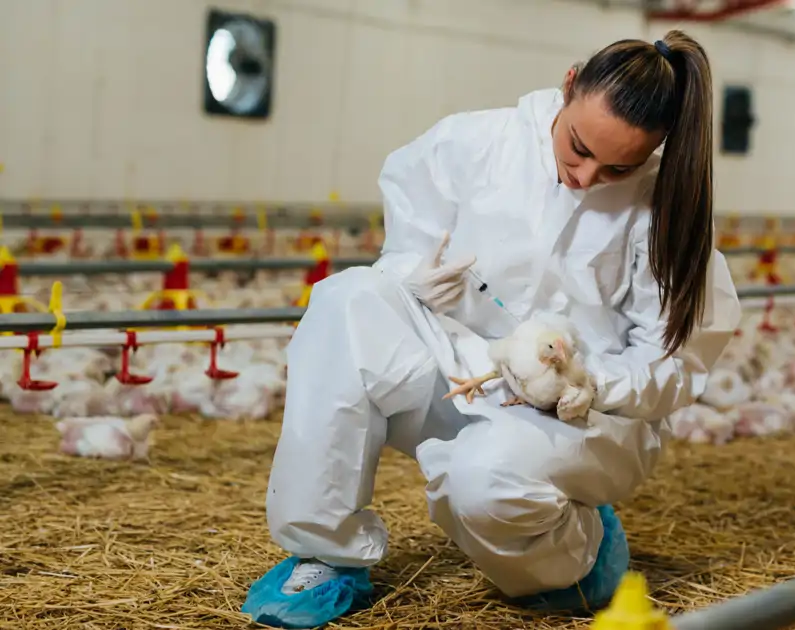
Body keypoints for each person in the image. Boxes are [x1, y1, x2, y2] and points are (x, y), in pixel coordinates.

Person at [241, 29, 741, 629]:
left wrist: (587, 382)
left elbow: (673, 360)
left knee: (483, 484)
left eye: (617, 167)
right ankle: (325, 551)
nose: (584, 176)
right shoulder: (471, 144)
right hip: (461, 371)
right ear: (568, 84)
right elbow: (407, 250)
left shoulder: (665, 211)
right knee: (345, 300)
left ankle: (575, 555)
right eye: (578, 146)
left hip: (578, 417)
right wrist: (413, 279)